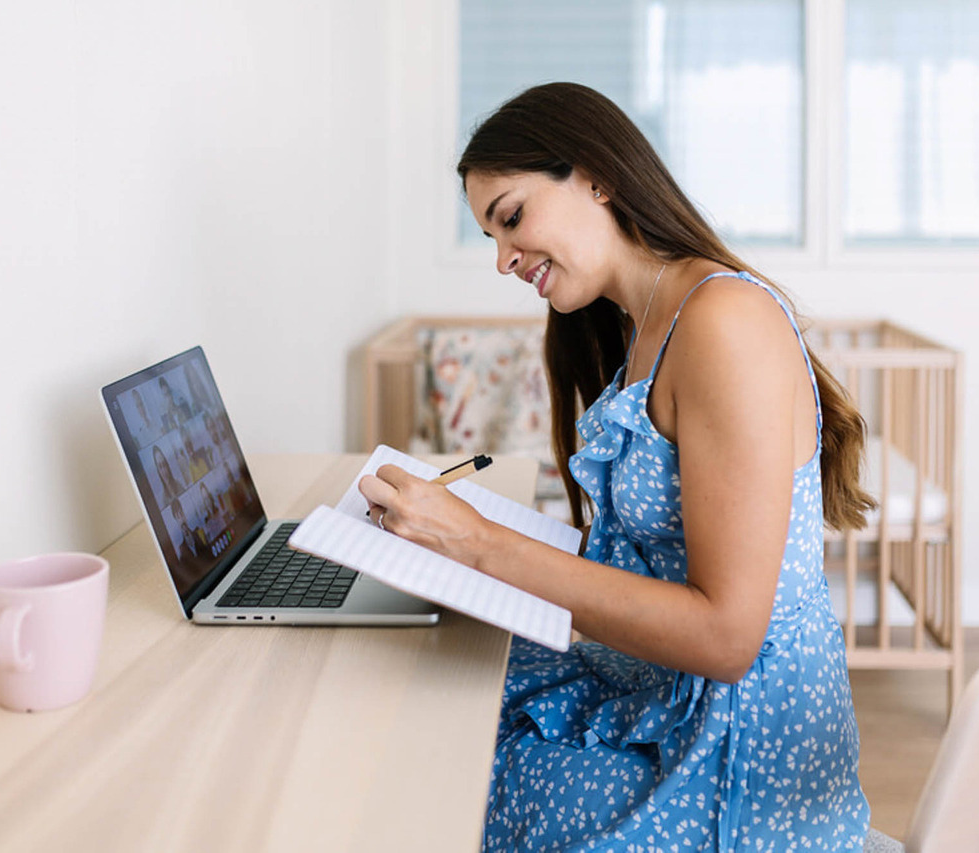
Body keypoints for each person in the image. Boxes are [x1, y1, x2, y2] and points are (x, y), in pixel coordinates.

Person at [358, 82, 874, 851]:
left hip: (742, 761)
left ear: (597, 176)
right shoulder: (641, 323)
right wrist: (462, 553)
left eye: (511, 219)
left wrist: (478, 543)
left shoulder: (724, 322)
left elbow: (729, 638)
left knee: (447, 765)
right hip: (669, 695)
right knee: (435, 696)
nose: (503, 260)